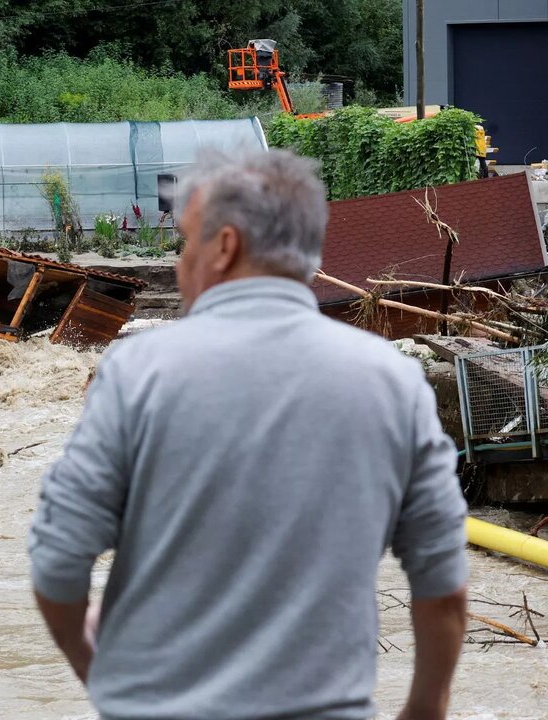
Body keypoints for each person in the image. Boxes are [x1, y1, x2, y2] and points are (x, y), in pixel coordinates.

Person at [27, 149, 469, 720]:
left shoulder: (137, 372)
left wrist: (99, 670)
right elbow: (443, 582)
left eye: (186, 242)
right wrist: (425, 710)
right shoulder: (395, 381)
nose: (183, 261)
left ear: (225, 246)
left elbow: (58, 561)